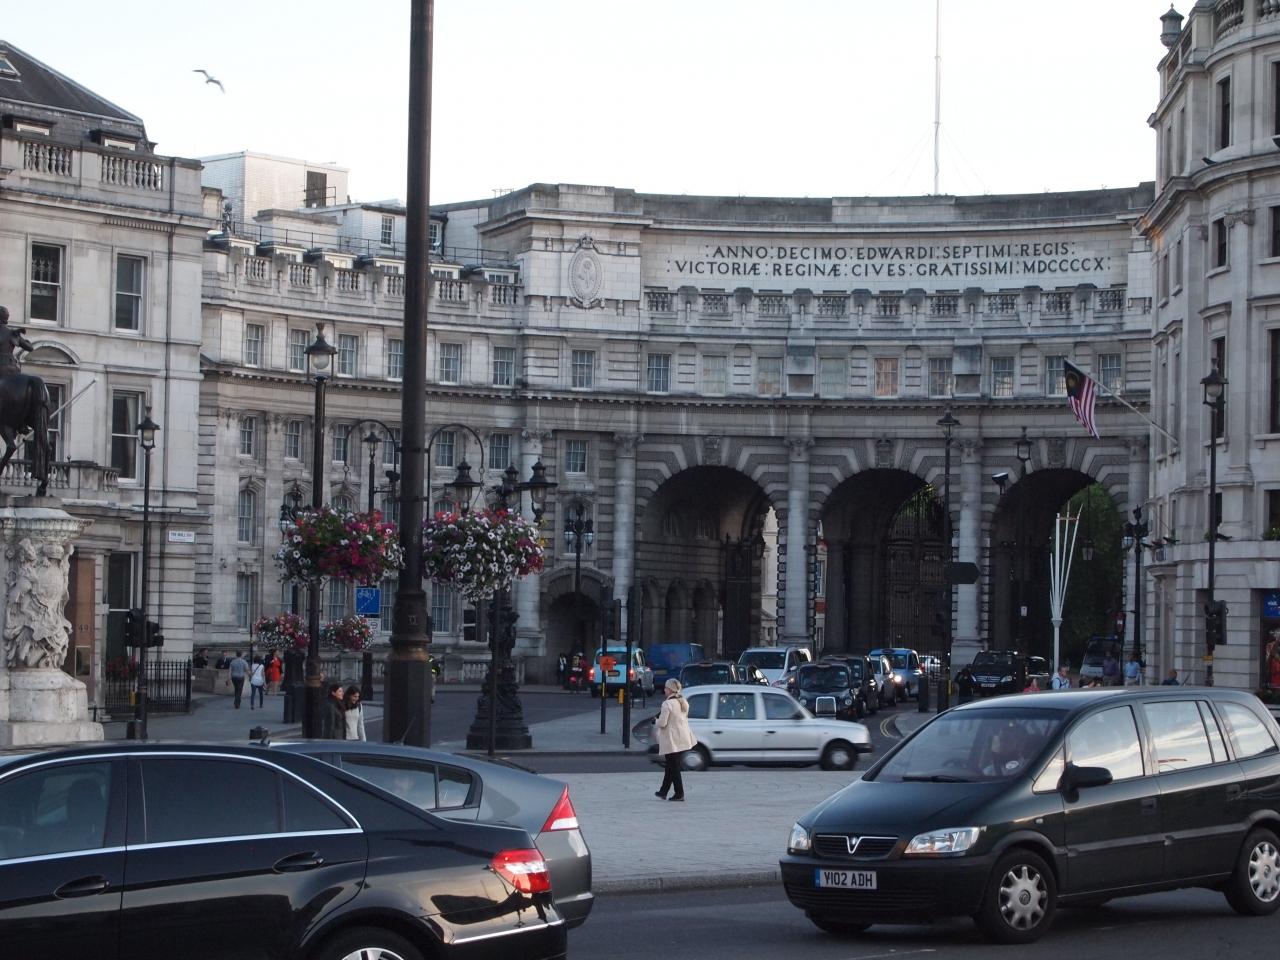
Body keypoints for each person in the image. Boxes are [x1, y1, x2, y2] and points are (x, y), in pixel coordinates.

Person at [654, 678, 696, 801]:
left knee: (674, 767)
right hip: (682, 738)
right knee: (671, 766)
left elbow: (662, 723)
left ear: (669, 689)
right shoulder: (683, 702)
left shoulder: (667, 704)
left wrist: (655, 720)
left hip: (671, 740)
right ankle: (663, 791)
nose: (664, 690)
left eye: (665, 688)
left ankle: (679, 793)